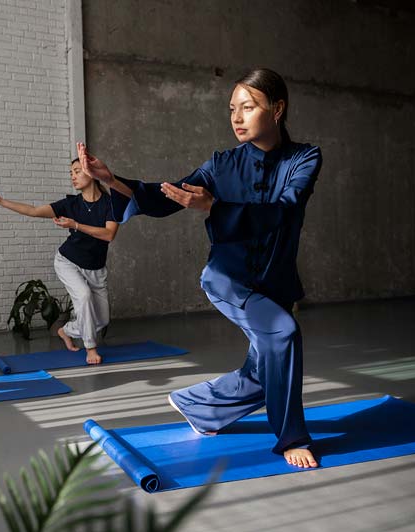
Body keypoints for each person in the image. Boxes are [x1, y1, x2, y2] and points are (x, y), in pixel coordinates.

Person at [75, 68, 322, 468]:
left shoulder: (305, 158)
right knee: (283, 333)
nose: (237, 117)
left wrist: (214, 208)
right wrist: (113, 180)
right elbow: (166, 196)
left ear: (277, 109)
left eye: (248, 107)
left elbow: (284, 211)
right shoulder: (221, 164)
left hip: (275, 283)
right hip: (228, 279)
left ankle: (199, 405)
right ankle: (291, 437)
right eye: (232, 109)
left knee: (266, 370)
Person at [0, 158, 118, 364]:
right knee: (83, 296)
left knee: (102, 319)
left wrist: (76, 224)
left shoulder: (111, 204)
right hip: (68, 262)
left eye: (77, 171)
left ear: (92, 173)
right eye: (71, 172)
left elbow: (108, 234)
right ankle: (90, 348)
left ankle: (66, 330)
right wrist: (0, 201)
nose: (73, 176)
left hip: (96, 268)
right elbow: (34, 211)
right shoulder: (70, 204)